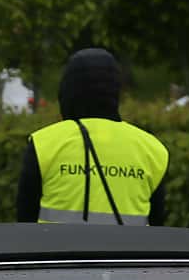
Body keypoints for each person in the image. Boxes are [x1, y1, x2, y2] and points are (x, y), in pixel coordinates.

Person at [17, 48, 168, 226]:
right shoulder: (152, 150)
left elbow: (25, 221)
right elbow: (158, 227)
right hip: (127, 253)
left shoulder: (44, 144)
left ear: (67, 91)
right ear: (115, 92)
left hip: (57, 253)